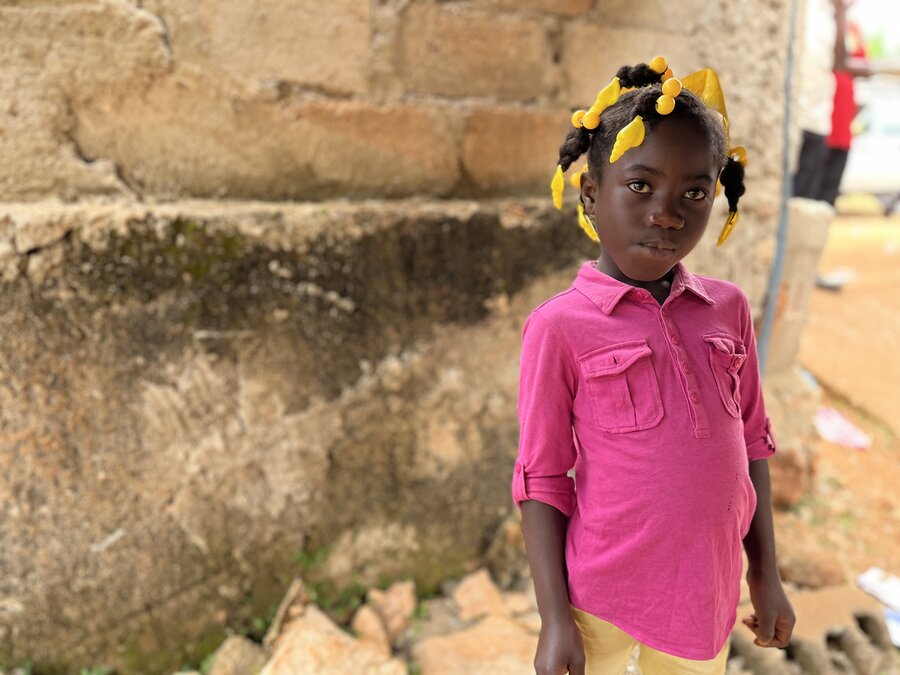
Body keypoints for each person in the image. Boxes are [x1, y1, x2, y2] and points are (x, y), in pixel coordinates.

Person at [512, 57, 796, 675]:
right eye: (640, 186)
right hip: (599, 602)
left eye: (694, 191)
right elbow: (541, 478)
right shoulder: (559, 327)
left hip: (706, 595)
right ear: (591, 192)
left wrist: (765, 574)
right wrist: (554, 618)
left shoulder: (728, 308)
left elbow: (751, 445)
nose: (668, 213)